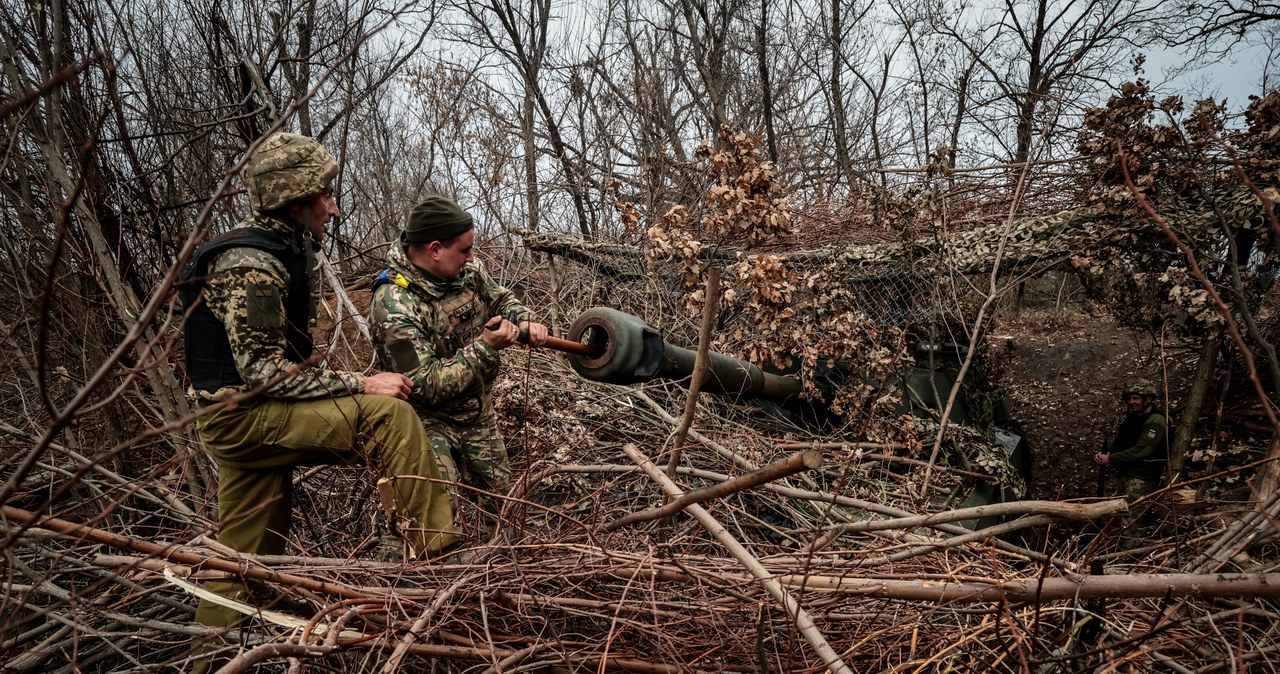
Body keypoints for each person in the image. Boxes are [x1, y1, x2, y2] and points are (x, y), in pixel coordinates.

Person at [180, 133, 459, 660]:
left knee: (239, 558)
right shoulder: (251, 265)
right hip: (242, 418)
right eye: (324, 196)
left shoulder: (281, 246)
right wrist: (360, 382)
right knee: (389, 416)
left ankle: (209, 662)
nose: (333, 208)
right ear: (294, 201)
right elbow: (264, 371)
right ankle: (438, 573)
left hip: (242, 417)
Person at [369, 196, 548, 532]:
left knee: (505, 518)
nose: (472, 257)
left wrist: (524, 318)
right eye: (464, 250)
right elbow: (424, 385)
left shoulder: (467, 270)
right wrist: (485, 347)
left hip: (476, 412)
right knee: (439, 526)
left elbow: (499, 297)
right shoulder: (393, 306)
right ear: (434, 249)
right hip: (427, 423)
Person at [1094, 378, 1169, 541]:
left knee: (1134, 521)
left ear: (1147, 399)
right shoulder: (1133, 417)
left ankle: (1131, 558)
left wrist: (1112, 458)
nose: (1131, 402)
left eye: (1135, 398)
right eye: (1129, 399)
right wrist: (1107, 455)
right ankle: (1119, 553)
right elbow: (1126, 442)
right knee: (1122, 516)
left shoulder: (1156, 421)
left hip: (1141, 478)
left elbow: (1143, 450)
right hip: (1126, 475)